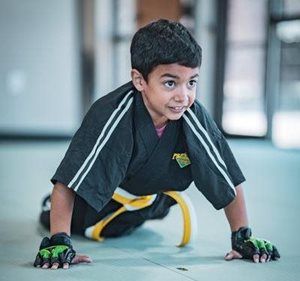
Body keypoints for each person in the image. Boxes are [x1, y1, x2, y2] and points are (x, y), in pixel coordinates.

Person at [33, 19, 280, 270]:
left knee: (126, 226)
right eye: (170, 83)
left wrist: (242, 237)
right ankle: (49, 208)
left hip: (153, 202)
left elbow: (226, 174)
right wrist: (59, 240)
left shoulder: (193, 115)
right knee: (81, 224)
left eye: (191, 82)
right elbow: (68, 181)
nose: (183, 96)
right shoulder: (111, 114)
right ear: (140, 81)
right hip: (98, 204)